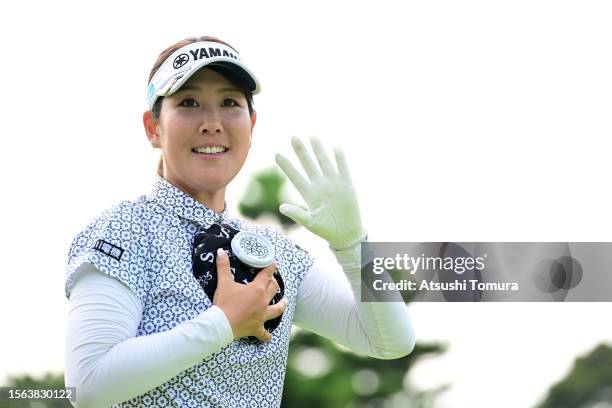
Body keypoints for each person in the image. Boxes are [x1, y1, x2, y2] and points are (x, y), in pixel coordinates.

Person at [64, 35, 415, 408]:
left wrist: (354, 246)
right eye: (189, 103)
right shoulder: (126, 229)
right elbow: (88, 385)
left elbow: (390, 341)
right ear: (153, 128)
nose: (212, 122)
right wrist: (222, 324)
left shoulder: (272, 251)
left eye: (230, 102)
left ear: (251, 124)